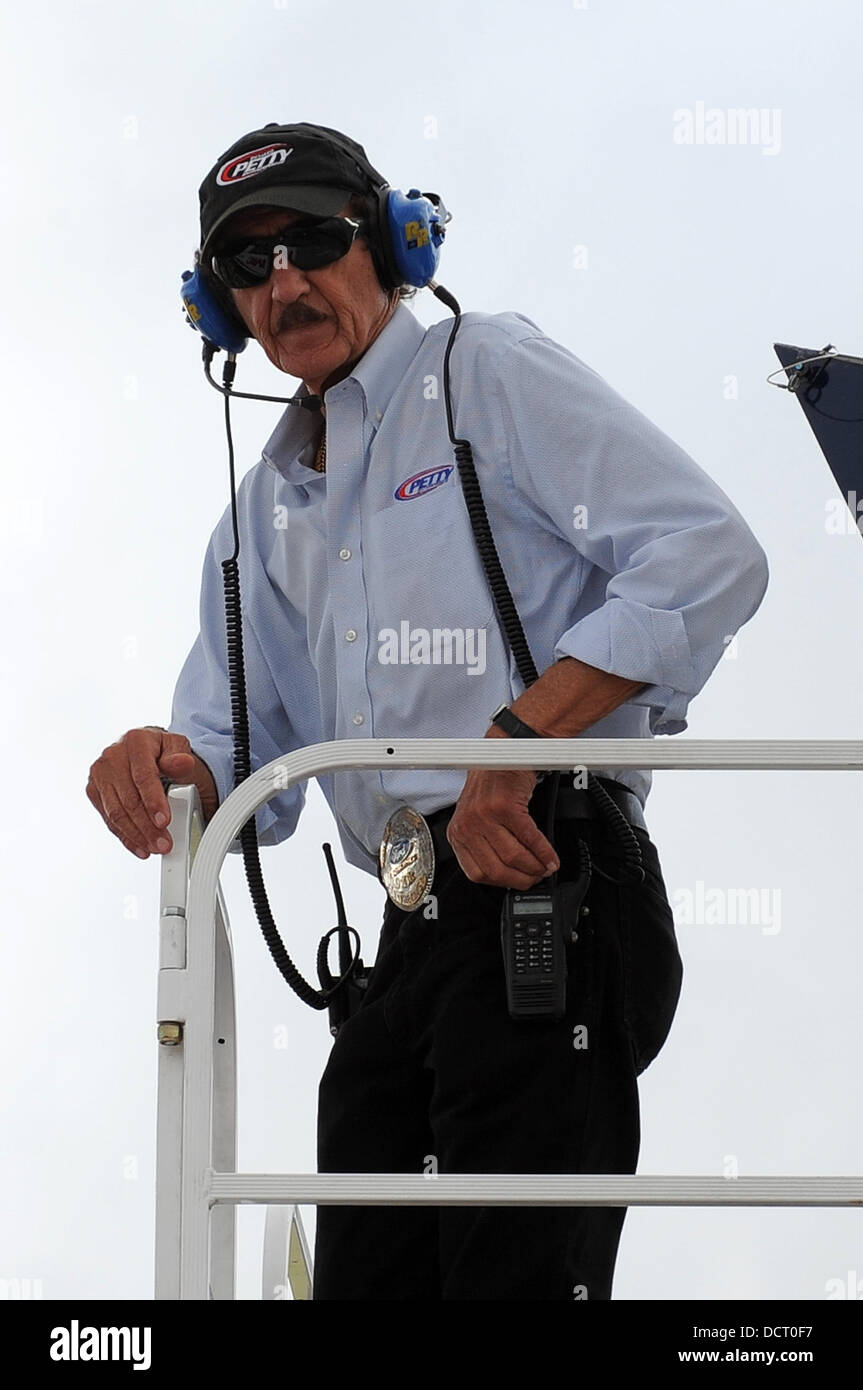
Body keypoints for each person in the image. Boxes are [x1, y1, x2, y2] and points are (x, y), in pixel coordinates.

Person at [86, 121, 770, 1300]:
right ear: (217, 305)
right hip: (404, 941)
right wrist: (161, 760)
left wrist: (518, 738)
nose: (284, 279)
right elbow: (245, 767)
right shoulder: (256, 521)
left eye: (311, 238)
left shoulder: (482, 371)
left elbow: (708, 555)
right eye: (247, 265)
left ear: (394, 243)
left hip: (543, 878)